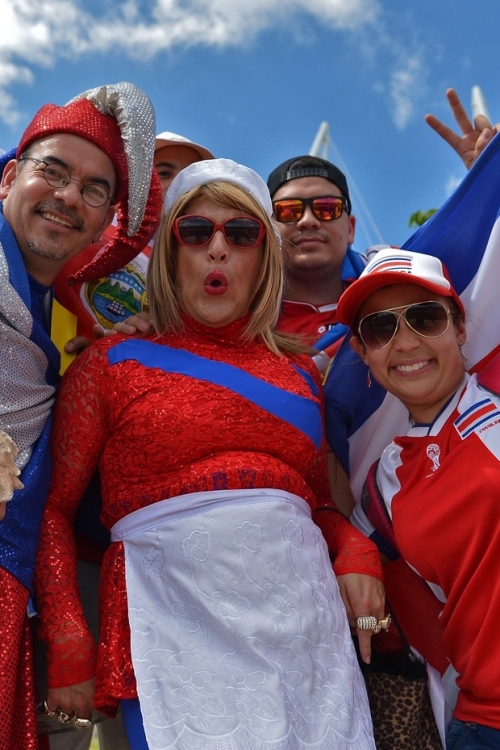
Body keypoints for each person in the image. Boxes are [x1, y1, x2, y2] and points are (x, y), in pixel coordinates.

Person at [35, 157, 386, 749]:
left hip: (308, 642)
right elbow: (53, 509)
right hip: (170, 636)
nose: (218, 248)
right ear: (171, 256)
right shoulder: (109, 364)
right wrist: (68, 636)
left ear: (263, 257)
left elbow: (319, 503)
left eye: (241, 233)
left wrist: (357, 550)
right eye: (196, 232)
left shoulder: (302, 373)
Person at [0, 81, 161, 750]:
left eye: (95, 190)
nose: (69, 197)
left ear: (106, 224)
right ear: (9, 177)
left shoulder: (66, 316)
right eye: (54, 171)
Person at [41, 130, 214, 750]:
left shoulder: (221, 289)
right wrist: (91, 362)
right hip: (56, 534)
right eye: (159, 172)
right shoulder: (75, 246)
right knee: (58, 722)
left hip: (163, 566)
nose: (170, 189)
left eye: (187, 179)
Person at [335, 246, 500, 749]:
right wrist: (369, 614)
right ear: (363, 351)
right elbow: (357, 577)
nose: (405, 342)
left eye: (426, 318)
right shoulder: (385, 480)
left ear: (460, 327)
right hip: (480, 726)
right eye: (380, 329)